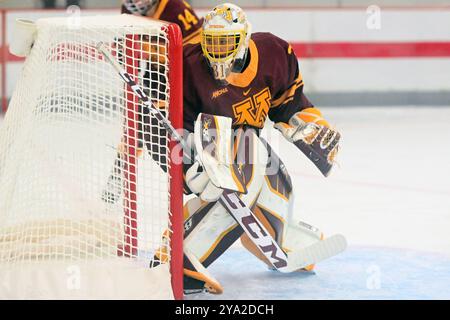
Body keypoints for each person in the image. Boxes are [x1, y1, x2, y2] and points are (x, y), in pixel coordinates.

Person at [178, 3, 341, 295]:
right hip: (208, 155)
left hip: (246, 153)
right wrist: (187, 167)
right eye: (212, 42)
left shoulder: (273, 53)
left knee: (276, 181)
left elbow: (288, 103)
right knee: (249, 158)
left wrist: (310, 125)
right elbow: (168, 129)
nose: (217, 50)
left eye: (225, 41)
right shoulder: (189, 67)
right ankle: (185, 254)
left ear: (244, 39)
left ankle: (284, 241)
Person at [121, 0, 203, 45]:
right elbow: (124, 44)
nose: (136, 2)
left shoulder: (176, 8)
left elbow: (194, 50)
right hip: (156, 63)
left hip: (182, 63)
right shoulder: (127, 9)